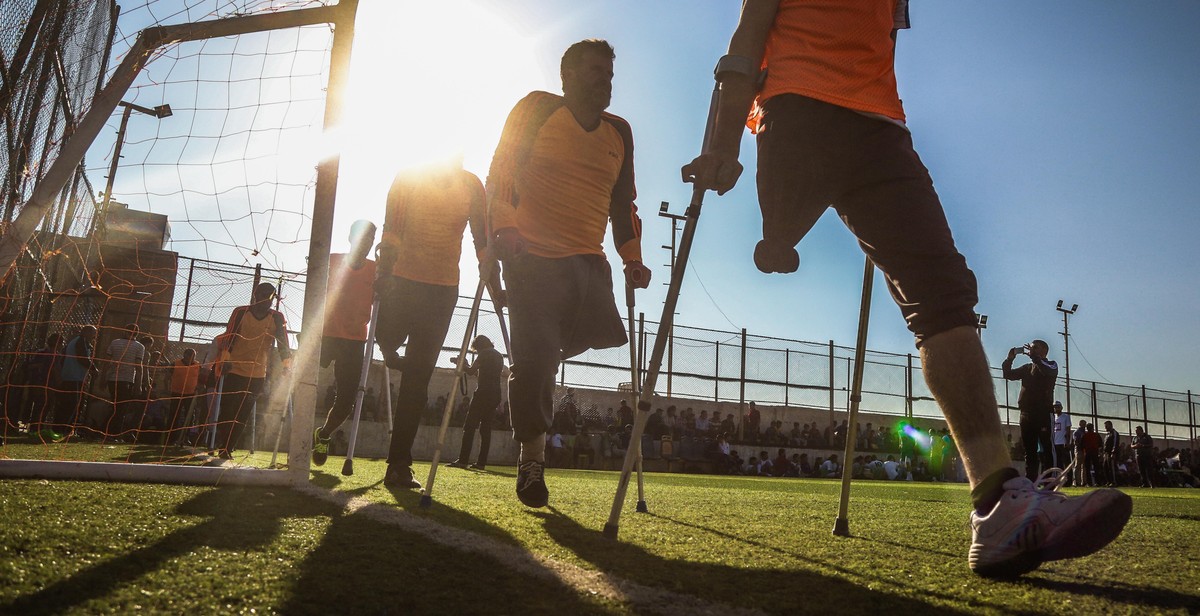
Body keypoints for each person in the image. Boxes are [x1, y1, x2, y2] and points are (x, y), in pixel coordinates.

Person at [681, 1, 1131, 577]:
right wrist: (724, 142)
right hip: (798, 111)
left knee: (943, 293)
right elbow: (748, 36)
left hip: (881, 132)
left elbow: (882, 49)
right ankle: (780, 233)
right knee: (781, 246)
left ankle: (997, 505)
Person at [487, 39, 651, 508]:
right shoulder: (537, 109)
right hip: (533, 258)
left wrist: (632, 257)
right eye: (596, 71)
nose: (606, 80)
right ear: (568, 76)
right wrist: (503, 229)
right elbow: (501, 172)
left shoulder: (620, 132)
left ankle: (534, 365)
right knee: (537, 356)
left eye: (611, 74)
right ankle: (531, 458)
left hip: (587, 264)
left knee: (587, 339)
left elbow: (624, 205)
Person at [375, 158, 490, 489]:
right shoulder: (408, 175)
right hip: (400, 281)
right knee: (386, 339)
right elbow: (392, 225)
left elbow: (480, 235)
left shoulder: (471, 185)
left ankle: (398, 464)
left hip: (441, 291)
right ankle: (392, 353)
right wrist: (384, 272)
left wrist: (489, 268)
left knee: (418, 379)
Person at [311, 220, 378, 467]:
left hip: (354, 340)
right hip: (325, 333)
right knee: (302, 380)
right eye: (363, 237)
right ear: (351, 238)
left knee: (347, 399)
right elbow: (313, 291)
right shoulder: (332, 261)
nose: (367, 243)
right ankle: (296, 436)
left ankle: (324, 434)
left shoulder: (377, 269)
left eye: (372, 238)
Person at [213, 282, 292, 459]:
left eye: (270, 296)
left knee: (243, 412)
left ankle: (227, 447)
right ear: (255, 296)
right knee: (227, 410)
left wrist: (287, 366)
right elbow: (229, 336)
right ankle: (223, 443)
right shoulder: (241, 312)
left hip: (257, 374)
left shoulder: (277, 317)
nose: (266, 300)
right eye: (263, 295)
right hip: (233, 369)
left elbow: (283, 343)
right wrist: (225, 359)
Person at [1002, 340, 1057, 482]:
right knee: (1030, 450)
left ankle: (1049, 480)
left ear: (1044, 350)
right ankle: (1030, 480)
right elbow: (1008, 374)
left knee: (1046, 449)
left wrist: (1035, 358)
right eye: (1031, 348)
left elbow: (1046, 370)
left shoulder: (1051, 365)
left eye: (1034, 348)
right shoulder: (1027, 368)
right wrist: (1009, 359)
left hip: (1043, 413)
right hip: (1026, 414)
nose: (1031, 350)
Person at [449, 335, 505, 470]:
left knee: (469, 426)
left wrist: (461, 363)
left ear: (479, 346)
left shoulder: (484, 353)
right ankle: (481, 463)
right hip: (495, 394)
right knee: (485, 429)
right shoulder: (499, 356)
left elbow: (470, 371)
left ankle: (463, 460)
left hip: (483, 393)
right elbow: (482, 374)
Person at [52, 326, 98, 436]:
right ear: (86, 332)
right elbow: (82, 358)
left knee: (66, 404)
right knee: (74, 405)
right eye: (93, 333)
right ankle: (66, 429)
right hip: (74, 378)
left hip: (69, 377)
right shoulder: (80, 342)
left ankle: (58, 428)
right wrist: (93, 369)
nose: (94, 337)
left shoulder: (74, 342)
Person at [104, 324, 146, 441]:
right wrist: (138, 384)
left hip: (112, 379)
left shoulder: (115, 342)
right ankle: (114, 433)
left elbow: (106, 362)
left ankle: (108, 432)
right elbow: (139, 367)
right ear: (137, 334)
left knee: (115, 405)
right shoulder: (139, 347)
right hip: (126, 379)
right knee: (121, 408)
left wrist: (104, 378)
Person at [166, 348, 202, 445]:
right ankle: (171, 438)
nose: (191, 358)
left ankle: (186, 438)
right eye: (190, 356)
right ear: (185, 355)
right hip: (176, 393)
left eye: (193, 356)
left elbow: (201, 379)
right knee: (174, 416)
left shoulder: (198, 366)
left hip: (190, 394)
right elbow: (167, 376)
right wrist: (167, 389)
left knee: (189, 417)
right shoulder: (175, 364)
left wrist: (199, 389)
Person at [1102, 421, 1121, 487]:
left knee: (1111, 468)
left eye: (1106, 426)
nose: (1105, 428)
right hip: (1106, 453)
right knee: (1105, 467)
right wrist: (1104, 453)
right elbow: (1105, 444)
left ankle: (1114, 482)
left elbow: (1115, 443)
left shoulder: (1114, 433)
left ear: (1110, 425)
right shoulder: (1107, 434)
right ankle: (1108, 481)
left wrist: (1113, 452)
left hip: (1111, 453)